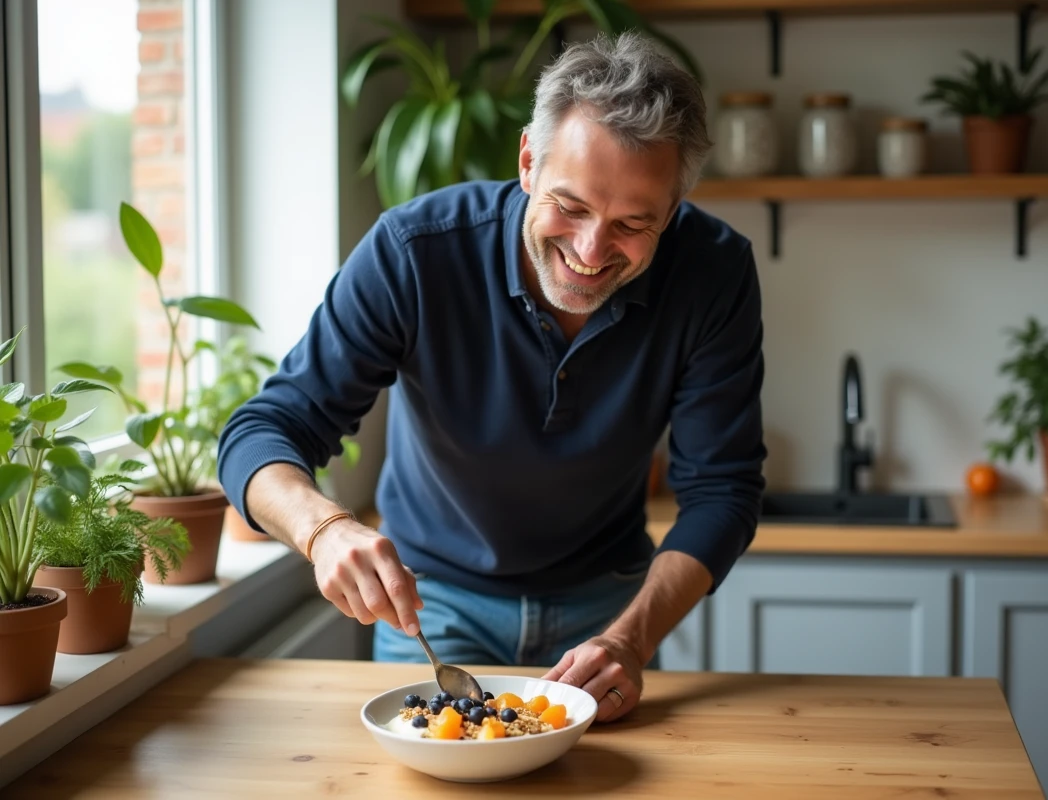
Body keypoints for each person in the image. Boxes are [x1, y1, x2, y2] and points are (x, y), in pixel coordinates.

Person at [216, 30, 766, 723]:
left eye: (634, 223)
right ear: (528, 162)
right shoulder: (413, 253)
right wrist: (324, 529)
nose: (592, 251)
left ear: (674, 210)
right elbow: (261, 431)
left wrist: (632, 637)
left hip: (612, 609)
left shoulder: (714, 273)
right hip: (430, 606)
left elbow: (724, 489)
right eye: (571, 206)